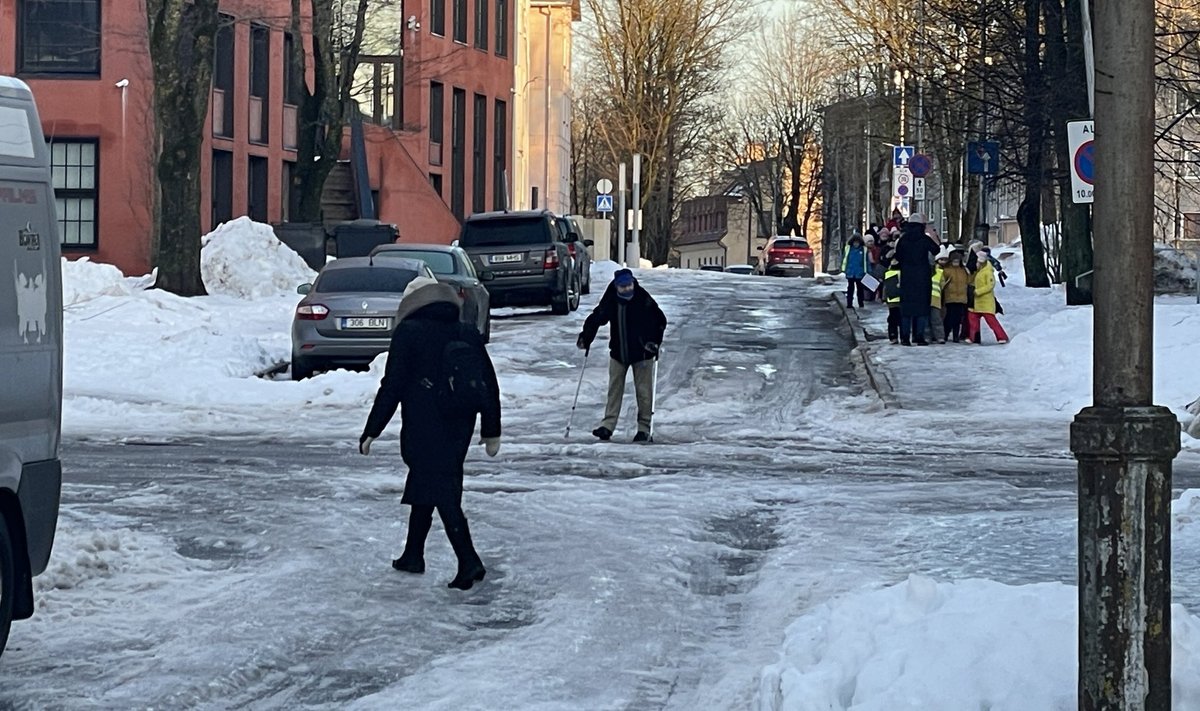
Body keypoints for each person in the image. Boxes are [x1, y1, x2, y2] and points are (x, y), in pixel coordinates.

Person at [359, 282, 502, 591]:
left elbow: (393, 385)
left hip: (425, 425)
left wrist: (372, 429)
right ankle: (413, 555)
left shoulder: (409, 332)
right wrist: (492, 429)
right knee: (432, 482)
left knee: (440, 489)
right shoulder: (465, 330)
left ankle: (468, 560)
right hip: (460, 423)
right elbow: (489, 382)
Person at [576, 268, 667, 442]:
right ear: (617, 287)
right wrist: (586, 337)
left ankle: (644, 428)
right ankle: (607, 426)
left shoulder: (642, 298)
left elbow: (660, 320)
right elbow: (597, 317)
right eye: (623, 287)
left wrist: (654, 342)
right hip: (618, 352)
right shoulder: (611, 299)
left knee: (644, 392)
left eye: (629, 285)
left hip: (643, 353)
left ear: (633, 282)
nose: (627, 290)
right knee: (614, 390)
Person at [893, 212, 939, 346]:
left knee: (906, 309)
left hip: (907, 277)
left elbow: (898, 256)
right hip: (922, 276)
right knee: (922, 308)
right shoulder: (924, 239)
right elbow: (936, 250)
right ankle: (919, 336)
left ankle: (905, 337)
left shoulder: (903, 239)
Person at [967, 251, 1010, 345]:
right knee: (973, 319)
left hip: (985, 301)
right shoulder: (978, 272)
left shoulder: (987, 272)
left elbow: (990, 285)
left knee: (991, 321)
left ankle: (1002, 337)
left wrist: (978, 291)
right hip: (976, 302)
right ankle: (973, 337)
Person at [941, 248, 971, 342]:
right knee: (949, 317)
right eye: (954, 261)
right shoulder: (946, 270)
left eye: (957, 261)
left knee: (958, 319)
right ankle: (946, 334)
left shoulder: (963, 270)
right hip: (950, 297)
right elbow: (942, 282)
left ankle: (955, 336)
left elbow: (968, 281)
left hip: (961, 298)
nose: (956, 263)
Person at [842, 234, 870, 308]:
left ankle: (861, 303)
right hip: (851, 272)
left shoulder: (863, 250)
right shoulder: (848, 249)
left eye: (857, 242)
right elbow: (845, 260)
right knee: (850, 289)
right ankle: (849, 303)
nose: (856, 244)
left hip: (859, 272)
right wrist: (845, 270)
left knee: (860, 289)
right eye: (855, 242)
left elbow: (866, 261)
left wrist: (867, 271)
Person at [928, 248, 949, 344]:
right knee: (935, 319)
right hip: (935, 298)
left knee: (934, 319)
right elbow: (942, 285)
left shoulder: (939, 272)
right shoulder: (939, 272)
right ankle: (938, 336)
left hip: (932, 298)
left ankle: (933, 336)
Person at [883, 257, 902, 344]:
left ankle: (894, 336)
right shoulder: (904, 272)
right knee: (897, 319)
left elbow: (885, 288)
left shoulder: (888, 273)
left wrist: (884, 298)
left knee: (893, 319)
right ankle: (897, 336)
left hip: (894, 300)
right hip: (897, 300)